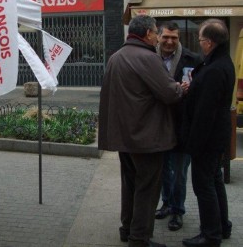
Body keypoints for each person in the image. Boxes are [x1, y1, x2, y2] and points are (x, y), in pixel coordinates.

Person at [98, 15, 185, 247]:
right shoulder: (148, 58)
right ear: (147, 33)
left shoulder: (116, 56)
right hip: (146, 138)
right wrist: (181, 87)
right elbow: (169, 93)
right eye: (157, 32)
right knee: (147, 189)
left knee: (130, 186)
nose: (158, 37)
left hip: (124, 137)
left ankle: (127, 229)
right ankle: (140, 238)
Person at [181, 18, 234, 247]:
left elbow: (205, 113)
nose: (200, 43)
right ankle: (222, 226)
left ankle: (210, 235)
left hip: (207, 139)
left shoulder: (214, 69)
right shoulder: (222, 61)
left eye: (201, 40)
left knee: (204, 186)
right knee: (215, 181)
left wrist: (194, 144)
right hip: (216, 136)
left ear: (210, 42)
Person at [155, 21, 201, 231]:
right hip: (158, 126)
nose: (169, 41)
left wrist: (189, 91)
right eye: (166, 37)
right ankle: (166, 203)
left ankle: (177, 211)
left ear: (179, 38)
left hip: (183, 127)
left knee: (180, 172)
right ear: (158, 36)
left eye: (174, 37)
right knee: (164, 169)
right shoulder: (149, 58)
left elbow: (201, 94)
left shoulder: (194, 59)